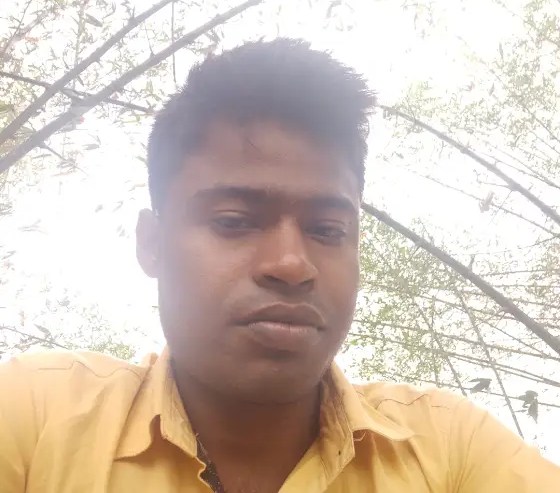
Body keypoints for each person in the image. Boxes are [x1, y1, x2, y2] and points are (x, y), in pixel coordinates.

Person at [0, 39, 558, 493]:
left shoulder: (448, 451)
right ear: (151, 244)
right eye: (234, 221)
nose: (292, 265)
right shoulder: (37, 417)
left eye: (327, 230)